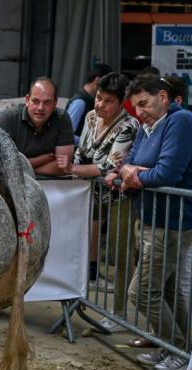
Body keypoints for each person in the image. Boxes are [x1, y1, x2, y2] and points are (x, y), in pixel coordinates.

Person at [109, 74, 192, 370]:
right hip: (149, 218)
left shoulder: (181, 121)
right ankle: (175, 348)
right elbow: (130, 162)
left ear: (163, 96)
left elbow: (167, 173)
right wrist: (131, 171)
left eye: (144, 104)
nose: (139, 112)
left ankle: (176, 348)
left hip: (172, 222)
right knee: (169, 290)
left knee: (143, 292)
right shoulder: (150, 126)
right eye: (135, 107)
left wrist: (134, 175)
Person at [67, 72, 139, 329]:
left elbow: (109, 164)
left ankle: (119, 313)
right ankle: (79, 297)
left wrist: (74, 170)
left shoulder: (129, 126)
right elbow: (83, 152)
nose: (100, 105)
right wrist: (81, 166)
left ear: (121, 103)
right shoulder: (89, 116)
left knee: (120, 253)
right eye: (98, 98)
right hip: (90, 193)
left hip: (120, 196)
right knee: (82, 245)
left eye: (108, 101)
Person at [0, 77, 74, 176]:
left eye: (47, 102)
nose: (40, 108)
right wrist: (45, 158)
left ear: (55, 103)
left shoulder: (62, 118)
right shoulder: (7, 118)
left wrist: (25, 170)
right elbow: (0, 164)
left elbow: (63, 167)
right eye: (35, 101)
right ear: (27, 100)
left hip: (53, 187)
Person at [65, 63, 114, 144]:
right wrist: (89, 142)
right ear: (97, 80)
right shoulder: (80, 102)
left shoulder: (89, 100)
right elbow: (66, 136)